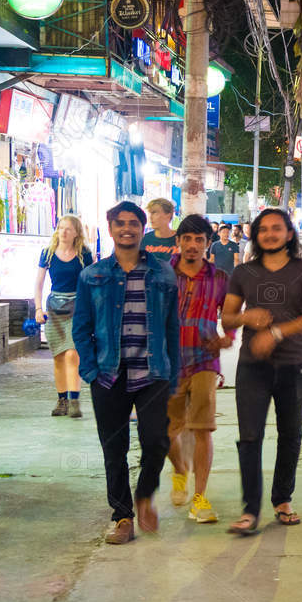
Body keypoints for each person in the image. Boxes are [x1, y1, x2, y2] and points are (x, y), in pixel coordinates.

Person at [72, 201, 180, 544]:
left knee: (157, 441)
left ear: (142, 228)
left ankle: (145, 493)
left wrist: (173, 376)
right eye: (120, 223)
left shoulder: (163, 273)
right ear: (110, 228)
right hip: (109, 374)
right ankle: (122, 517)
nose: (127, 229)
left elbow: (172, 328)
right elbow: (81, 327)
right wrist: (90, 370)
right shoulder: (92, 275)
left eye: (133, 223)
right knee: (114, 448)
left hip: (153, 372)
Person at [221, 208, 302, 535]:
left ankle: (282, 499)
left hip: (293, 364)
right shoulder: (243, 273)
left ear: (288, 234)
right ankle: (250, 510)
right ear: (255, 235)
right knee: (249, 436)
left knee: (290, 433)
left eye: (276, 228)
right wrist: (246, 318)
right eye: (263, 229)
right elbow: (227, 317)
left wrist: (277, 333)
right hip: (252, 366)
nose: (270, 234)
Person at [169, 214, 235, 524]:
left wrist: (228, 337)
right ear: (178, 241)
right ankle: (179, 469)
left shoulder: (219, 278)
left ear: (208, 244)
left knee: (203, 429)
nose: (193, 245)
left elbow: (231, 313)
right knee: (166, 431)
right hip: (168, 361)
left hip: (204, 360)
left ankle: (199, 497)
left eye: (199, 240)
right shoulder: (162, 275)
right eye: (187, 239)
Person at [34, 214, 93, 417]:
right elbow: (39, 283)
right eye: (60, 228)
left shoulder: (84, 254)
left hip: (77, 307)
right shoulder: (48, 253)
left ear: (76, 232)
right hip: (54, 308)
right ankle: (62, 400)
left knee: (72, 354)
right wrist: (38, 309)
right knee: (59, 356)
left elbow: (91, 283)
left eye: (68, 229)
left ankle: (74, 400)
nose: (63, 232)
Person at [142, 197, 178, 265]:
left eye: (154, 213)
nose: (150, 217)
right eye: (150, 213)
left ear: (168, 215)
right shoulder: (144, 240)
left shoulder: (181, 239)